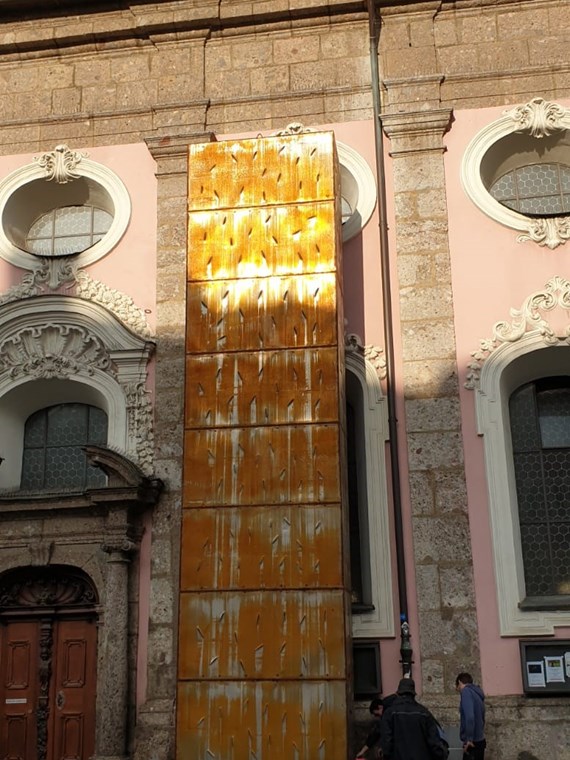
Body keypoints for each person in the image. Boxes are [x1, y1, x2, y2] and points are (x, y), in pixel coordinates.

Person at [380, 678, 448, 760]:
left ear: (398, 693)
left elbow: (387, 743)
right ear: (413, 694)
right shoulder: (424, 713)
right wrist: (442, 754)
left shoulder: (389, 713)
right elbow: (434, 742)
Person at [455, 672, 486, 760]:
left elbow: (470, 717)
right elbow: (482, 718)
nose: (458, 690)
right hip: (480, 740)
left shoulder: (466, 691)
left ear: (460, 682)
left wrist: (469, 739)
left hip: (472, 743)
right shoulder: (477, 694)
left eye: (457, 687)